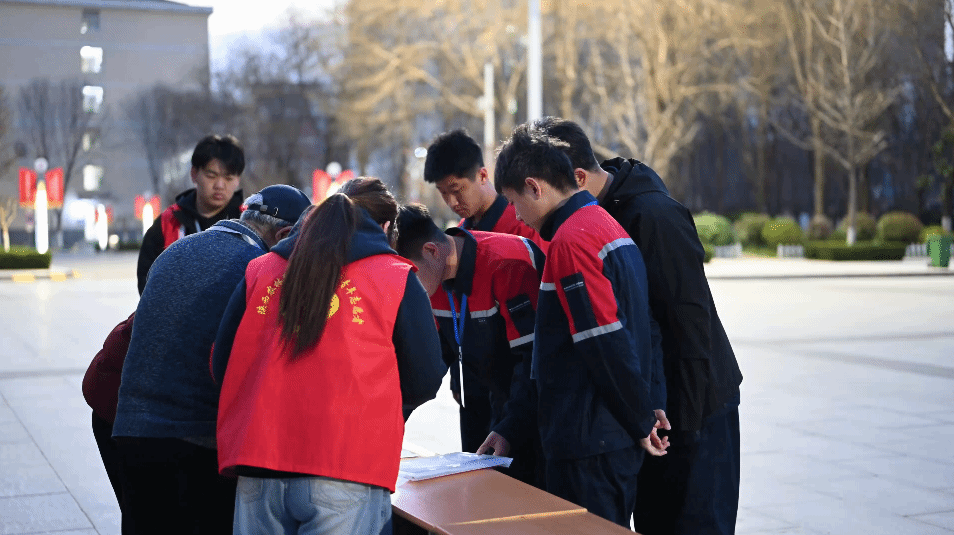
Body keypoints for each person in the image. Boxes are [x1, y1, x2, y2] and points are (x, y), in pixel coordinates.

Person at [534, 116, 743, 535]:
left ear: (577, 177)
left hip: (695, 408)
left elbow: (690, 321)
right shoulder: (599, 212)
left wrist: (684, 426)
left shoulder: (652, 215)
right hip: (653, 409)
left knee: (693, 523)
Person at [213, 178, 445, 535]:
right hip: (346, 463)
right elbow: (426, 376)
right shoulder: (395, 276)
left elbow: (222, 364)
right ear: (385, 227)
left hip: (259, 461)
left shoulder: (261, 269)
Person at [493, 126, 668, 527]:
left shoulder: (572, 241)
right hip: (610, 434)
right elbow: (646, 328)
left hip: (589, 441)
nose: (516, 215)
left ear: (534, 187)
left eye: (514, 201)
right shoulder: (605, 224)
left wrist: (641, 419)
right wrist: (646, 407)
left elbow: (603, 342)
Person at [112, 185, 311, 535]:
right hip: (194, 440)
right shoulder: (258, 270)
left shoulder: (178, 250)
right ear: (283, 236)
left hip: (130, 429)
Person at [394, 203, 545, 487]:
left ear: (431, 251)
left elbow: (535, 361)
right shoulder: (434, 276)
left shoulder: (507, 262)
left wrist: (510, 427)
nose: (406, 289)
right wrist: (393, 419)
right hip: (491, 405)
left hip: (541, 413)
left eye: (408, 275)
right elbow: (427, 363)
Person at [136, 134, 246, 294]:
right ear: (194, 174)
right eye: (211, 176)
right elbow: (147, 283)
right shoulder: (168, 223)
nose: (220, 185)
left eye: (228, 178)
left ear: (238, 180)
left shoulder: (249, 224)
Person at [424, 129, 548, 252]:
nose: (452, 202)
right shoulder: (459, 235)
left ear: (482, 176)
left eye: (456, 190)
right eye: (443, 192)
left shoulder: (525, 225)